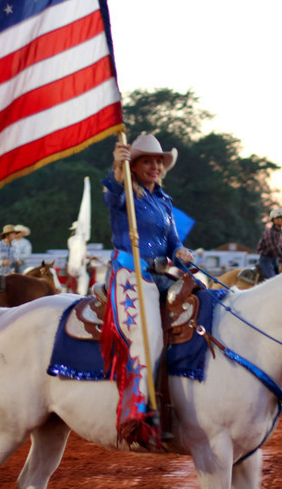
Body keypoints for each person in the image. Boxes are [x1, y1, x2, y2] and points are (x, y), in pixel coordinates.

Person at [103, 134, 194, 448]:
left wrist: (181, 250)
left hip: (160, 272)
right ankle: (138, 412)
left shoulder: (164, 200)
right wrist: (118, 166)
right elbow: (113, 193)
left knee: (203, 305)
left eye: (158, 161)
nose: (154, 166)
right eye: (146, 160)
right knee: (149, 335)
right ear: (134, 165)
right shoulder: (125, 192)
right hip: (130, 273)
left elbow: (172, 240)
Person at [256, 207, 282, 280]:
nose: (281, 220)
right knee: (273, 280)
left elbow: (277, 247)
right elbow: (274, 249)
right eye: (278, 218)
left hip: (274, 260)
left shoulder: (278, 232)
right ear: (273, 220)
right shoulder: (270, 232)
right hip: (266, 260)